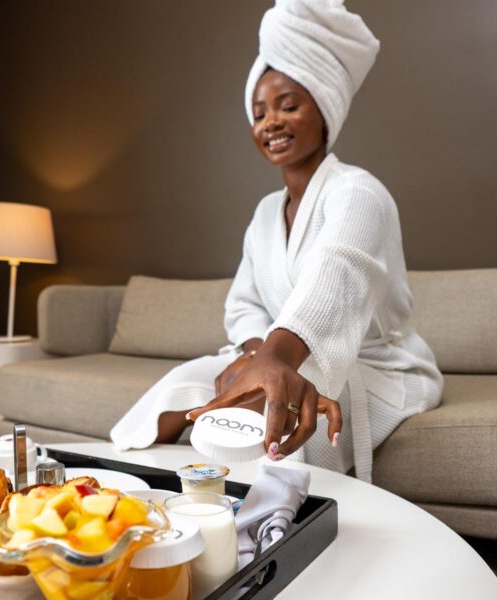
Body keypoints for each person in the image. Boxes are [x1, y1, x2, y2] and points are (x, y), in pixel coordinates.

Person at [110, 0, 443, 482]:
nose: (270, 123)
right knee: (182, 388)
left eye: (289, 105)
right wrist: (256, 355)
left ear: (324, 110)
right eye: (259, 112)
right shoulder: (266, 213)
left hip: (378, 367)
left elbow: (339, 272)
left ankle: (272, 527)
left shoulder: (359, 192)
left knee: (275, 399)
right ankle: (135, 492)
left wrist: (275, 361)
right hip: (280, 355)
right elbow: (244, 305)